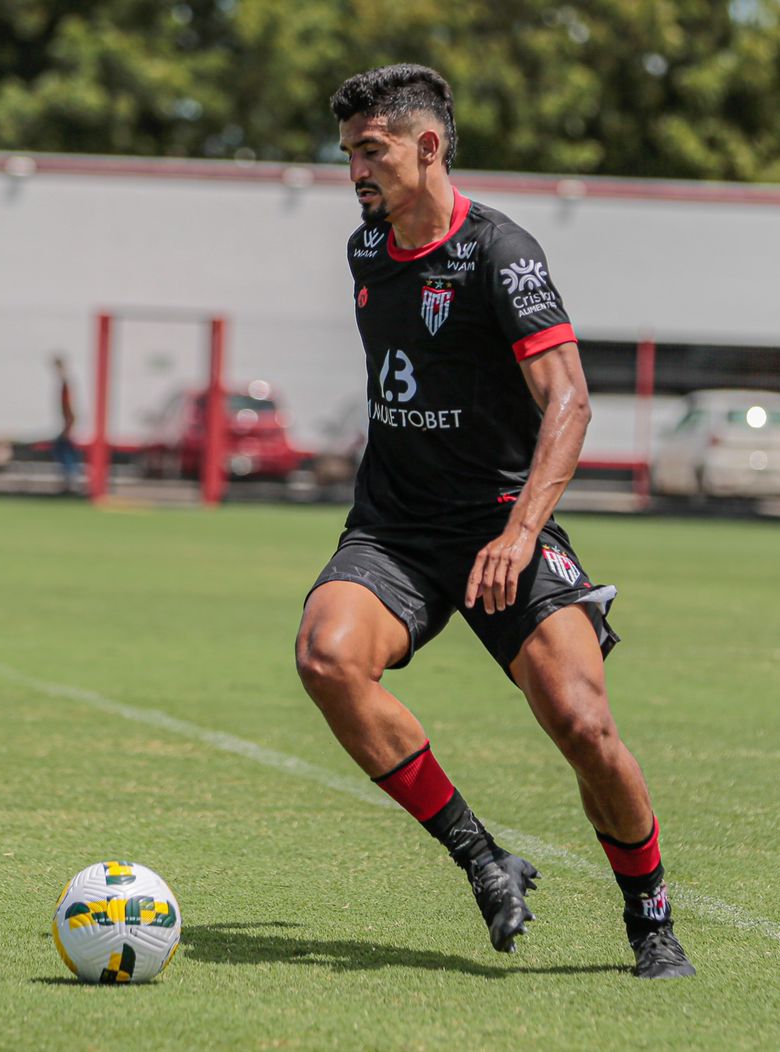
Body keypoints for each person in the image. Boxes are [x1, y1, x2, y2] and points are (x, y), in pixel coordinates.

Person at [295, 65, 693, 979]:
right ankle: (483, 860)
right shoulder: (365, 248)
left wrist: (519, 533)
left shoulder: (501, 254)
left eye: (371, 150)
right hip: (394, 531)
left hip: (503, 528)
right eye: (347, 152)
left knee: (583, 724)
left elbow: (570, 403)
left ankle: (651, 918)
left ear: (427, 145)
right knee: (326, 657)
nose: (353, 169)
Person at [50, 354, 82, 491]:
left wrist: (67, 428)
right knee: (63, 452)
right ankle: (69, 481)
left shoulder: (65, 384)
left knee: (65, 455)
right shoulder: (65, 383)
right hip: (67, 423)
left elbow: (68, 408)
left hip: (68, 424)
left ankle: (71, 482)